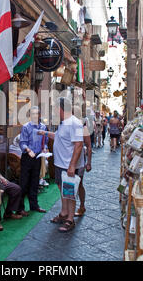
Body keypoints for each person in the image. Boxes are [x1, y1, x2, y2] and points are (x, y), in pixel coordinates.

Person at [39, 97, 84, 232]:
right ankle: (64, 213)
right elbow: (59, 137)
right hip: (60, 163)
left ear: (61, 108)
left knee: (69, 191)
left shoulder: (75, 123)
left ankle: (70, 219)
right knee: (62, 189)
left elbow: (79, 145)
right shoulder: (64, 123)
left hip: (67, 165)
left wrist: (72, 165)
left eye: (55, 108)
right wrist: (45, 133)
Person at [19, 106, 48, 214]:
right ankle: (20, 208)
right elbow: (22, 142)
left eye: (37, 113)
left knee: (35, 181)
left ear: (39, 115)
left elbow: (45, 141)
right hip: (27, 157)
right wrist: (27, 149)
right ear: (30, 115)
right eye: (33, 114)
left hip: (37, 157)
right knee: (24, 183)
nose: (35, 115)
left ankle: (34, 205)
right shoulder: (26, 127)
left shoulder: (43, 127)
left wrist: (44, 148)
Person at [73, 105, 92, 217]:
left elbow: (89, 146)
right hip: (68, 161)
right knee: (70, 184)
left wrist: (88, 163)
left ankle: (81, 206)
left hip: (79, 162)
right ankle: (70, 209)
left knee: (79, 184)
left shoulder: (83, 128)